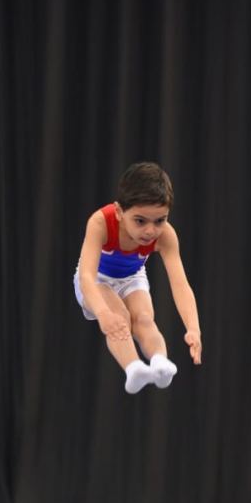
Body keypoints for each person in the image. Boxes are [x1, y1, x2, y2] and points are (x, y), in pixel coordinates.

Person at [74, 162, 202, 393]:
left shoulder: (167, 236)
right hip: (97, 279)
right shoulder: (100, 222)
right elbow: (86, 276)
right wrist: (103, 313)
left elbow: (180, 284)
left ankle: (160, 365)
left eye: (160, 220)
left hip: (132, 276)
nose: (151, 231)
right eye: (140, 221)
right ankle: (133, 368)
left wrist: (193, 328)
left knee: (143, 318)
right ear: (120, 211)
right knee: (119, 316)